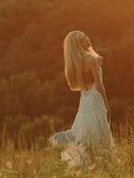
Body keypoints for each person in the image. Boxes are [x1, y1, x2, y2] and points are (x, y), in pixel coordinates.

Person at [48, 30, 115, 170]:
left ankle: (83, 161)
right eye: (83, 40)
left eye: (86, 37)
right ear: (78, 45)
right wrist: (106, 104)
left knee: (85, 132)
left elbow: (85, 81)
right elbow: (99, 85)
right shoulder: (90, 59)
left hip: (84, 99)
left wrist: (96, 61)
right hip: (95, 97)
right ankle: (99, 164)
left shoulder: (77, 61)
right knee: (98, 130)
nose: (87, 40)